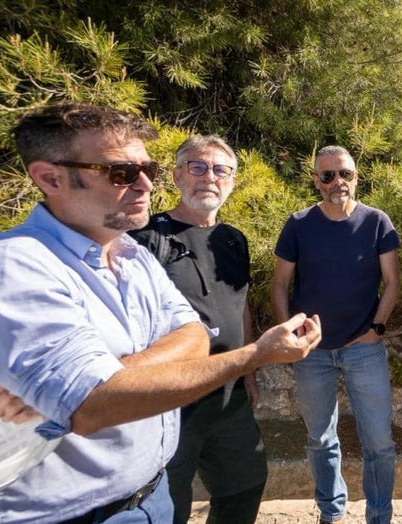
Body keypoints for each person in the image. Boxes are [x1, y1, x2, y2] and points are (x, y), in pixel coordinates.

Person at [0, 103, 321, 523]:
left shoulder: (135, 254)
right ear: (49, 177)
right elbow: (92, 404)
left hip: (163, 475)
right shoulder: (19, 265)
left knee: (243, 484)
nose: (144, 184)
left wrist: (112, 377)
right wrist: (254, 355)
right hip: (71, 512)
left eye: (145, 168)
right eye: (122, 173)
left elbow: (196, 333)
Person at [130, 135, 267, 524]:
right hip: (170, 400)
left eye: (221, 169)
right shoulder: (146, 239)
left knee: (245, 485)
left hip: (228, 394)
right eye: (197, 167)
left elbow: (238, 307)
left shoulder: (233, 239)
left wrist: (248, 369)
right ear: (176, 176)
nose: (210, 177)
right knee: (169, 505)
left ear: (233, 181)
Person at [270, 145, 400, 524]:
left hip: (364, 348)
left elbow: (392, 282)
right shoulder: (298, 224)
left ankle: (379, 516)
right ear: (316, 181)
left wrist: (377, 329)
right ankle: (331, 511)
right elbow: (280, 284)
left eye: (344, 174)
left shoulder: (377, 222)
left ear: (356, 176)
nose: (337, 182)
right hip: (313, 353)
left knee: (380, 442)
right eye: (327, 176)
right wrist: (291, 336)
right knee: (320, 439)